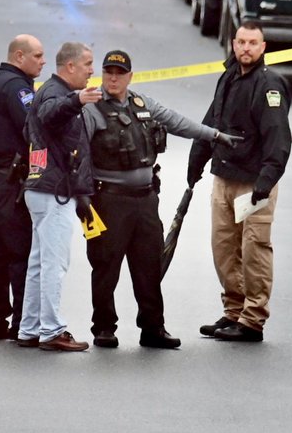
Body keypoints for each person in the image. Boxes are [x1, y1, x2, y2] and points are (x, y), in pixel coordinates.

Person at [81, 49, 237, 351]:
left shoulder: (143, 104)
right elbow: (77, 153)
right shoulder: (91, 109)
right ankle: (103, 328)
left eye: (119, 73)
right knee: (105, 266)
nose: (113, 78)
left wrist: (214, 135)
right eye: (108, 72)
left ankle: (153, 328)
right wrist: (81, 200)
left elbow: (177, 122)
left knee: (149, 265)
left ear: (130, 76)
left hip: (145, 200)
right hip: (107, 201)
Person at [188, 22, 291, 344]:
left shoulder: (269, 84)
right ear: (234, 44)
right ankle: (233, 310)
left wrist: (266, 181)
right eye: (241, 42)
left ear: (263, 47)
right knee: (224, 250)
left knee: (254, 251)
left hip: (254, 185)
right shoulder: (228, 78)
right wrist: (196, 161)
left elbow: (278, 137)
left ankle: (252, 320)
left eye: (253, 43)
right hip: (224, 179)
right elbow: (211, 123)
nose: (246, 48)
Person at [18, 41, 102, 352]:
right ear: (70, 67)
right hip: (52, 192)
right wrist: (77, 99)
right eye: (87, 64)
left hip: (42, 188)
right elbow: (51, 114)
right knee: (55, 264)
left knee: (39, 263)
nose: (92, 70)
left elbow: (33, 130)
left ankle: (29, 328)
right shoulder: (56, 94)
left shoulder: (48, 91)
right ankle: (52, 329)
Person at [0, 34, 45, 341]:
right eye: (38, 56)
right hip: (8, 181)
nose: (43, 61)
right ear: (19, 56)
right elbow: (34, 127)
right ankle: (22, 323)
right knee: (20, 253)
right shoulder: (16, 87)